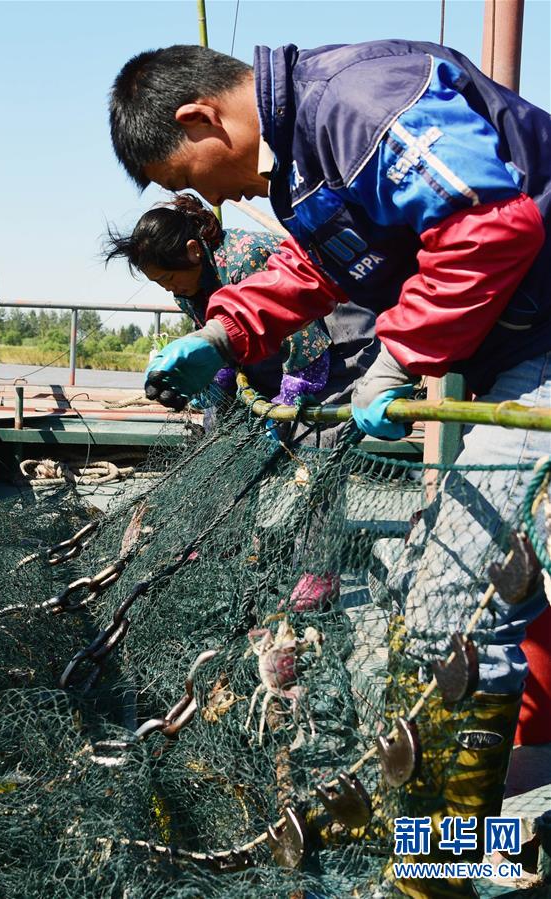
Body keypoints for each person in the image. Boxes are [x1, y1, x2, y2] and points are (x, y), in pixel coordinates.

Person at [108, 41, 550, 896]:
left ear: (200, 118)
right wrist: (223, 333)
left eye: (185, 175)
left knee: (458, 603)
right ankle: (445, 844)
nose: (209, 200)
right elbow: (318, 264)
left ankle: (436, 871)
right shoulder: (306, 156)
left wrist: (398, 356)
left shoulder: (357, 103)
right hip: (518, 349)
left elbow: (492, 226)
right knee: (433, 604)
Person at [105, 192, 378, 442]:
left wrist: (287, 400)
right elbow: (224, 349)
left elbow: (304, 338)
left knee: (311, 434)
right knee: (221, 426)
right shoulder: (185, 292)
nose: (167, 288)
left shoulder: (246, 258)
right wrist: (214, 382)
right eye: (159, 283)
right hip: (278, 353)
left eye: (168, 277)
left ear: (193, 250)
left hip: (334, 331)